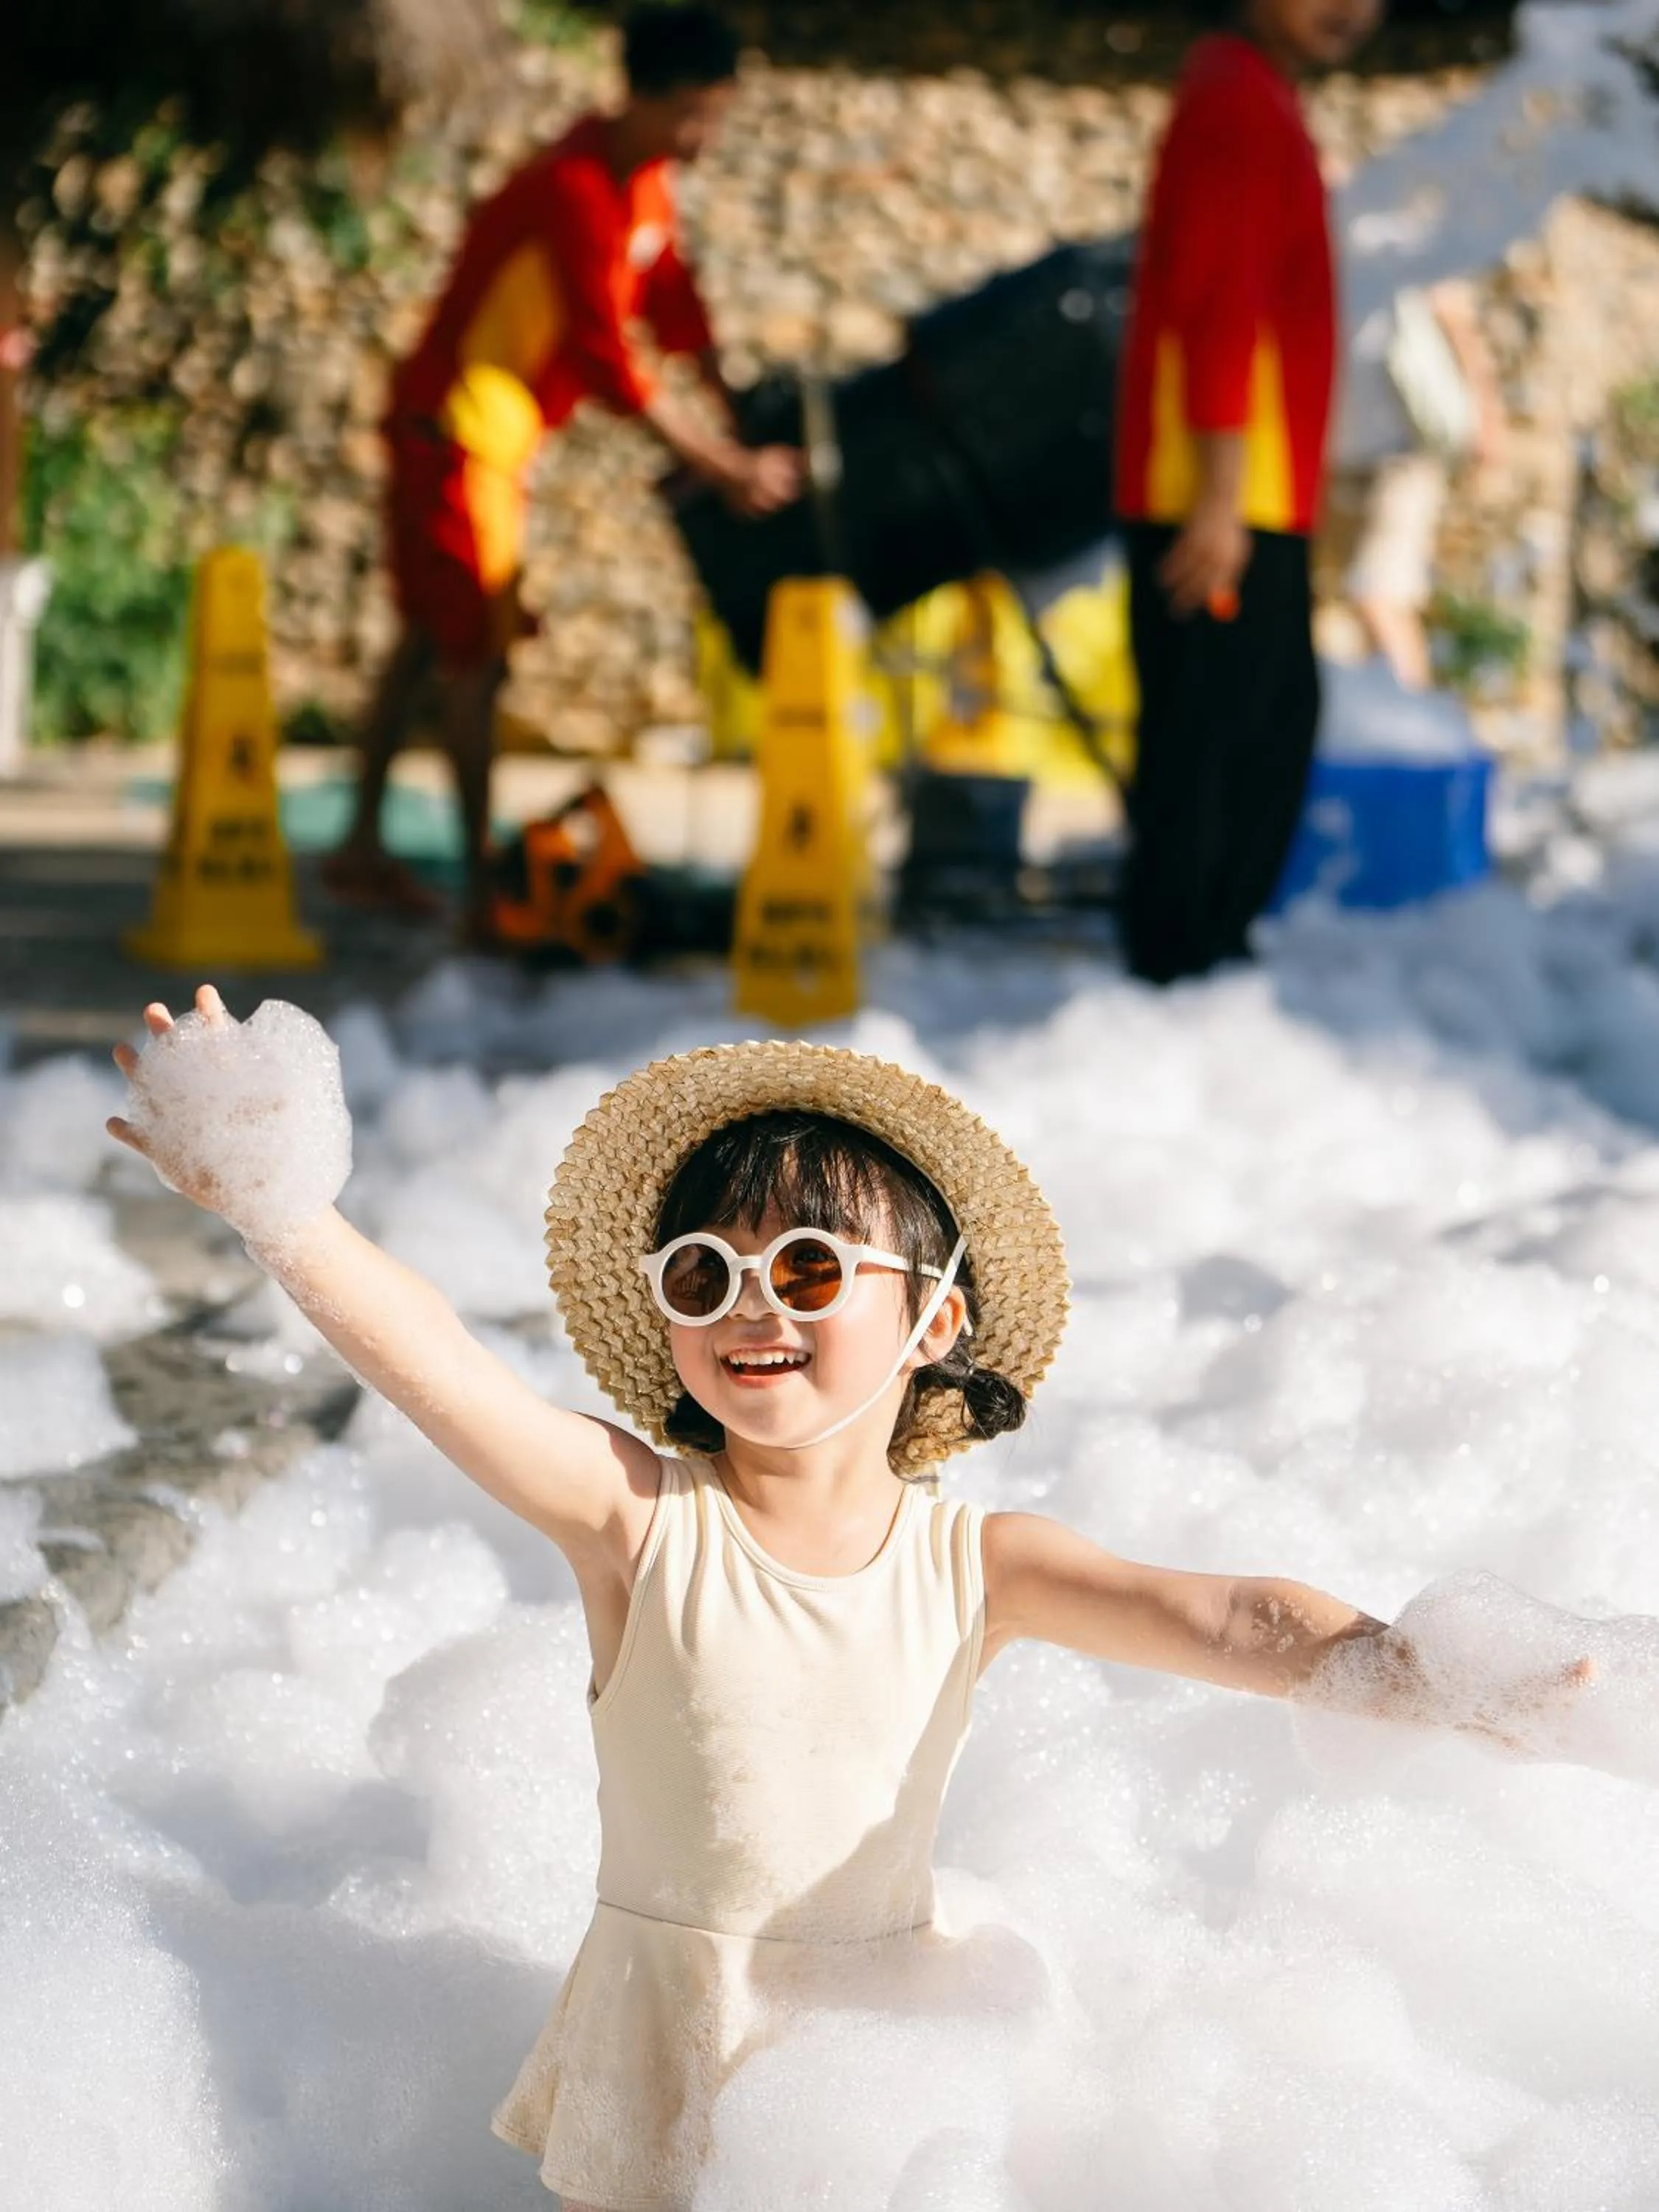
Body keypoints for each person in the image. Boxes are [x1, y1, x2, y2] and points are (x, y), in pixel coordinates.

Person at [108, 985, 1594, 2211]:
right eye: (707, 1273)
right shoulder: (638, 1523)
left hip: (876, 2065)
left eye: (811, 1265)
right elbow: (444, 1370)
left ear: (933, 1321)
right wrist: (283, 1209)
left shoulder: (980, 1566)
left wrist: (1438, 1672)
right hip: (660, 2043)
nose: (754, 1302)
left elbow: (1234, 1621)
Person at [321, 3, 799, 945]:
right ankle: (474, 903)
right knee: (474, 656)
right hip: (457, 434)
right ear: (642, 98)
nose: (703, 142)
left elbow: (673, 303)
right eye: (692, 118)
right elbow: (605, 356)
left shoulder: (643, 184)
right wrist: (727, 464)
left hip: (488, 438)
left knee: (426, 638)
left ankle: (364, 852)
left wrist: (734, 408)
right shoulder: (573, 188)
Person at [1113, 0, 1382, 985]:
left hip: (1246, 492)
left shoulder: (1247, 93)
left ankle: (1194, 972)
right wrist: (1219, 497)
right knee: (1219, 754)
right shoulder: (1234, 99)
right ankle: (1178, 979)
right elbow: (1218, 302)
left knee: (1245, 735)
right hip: (1223, 495)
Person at [1335, 276, 1508, 691]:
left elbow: (1459, 324)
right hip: (1337, 454)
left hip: (1406, 452)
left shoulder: (1411, 249)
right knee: (1338, 610)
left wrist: (1488, 417)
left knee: (1380, 596)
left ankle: (1411, 729)